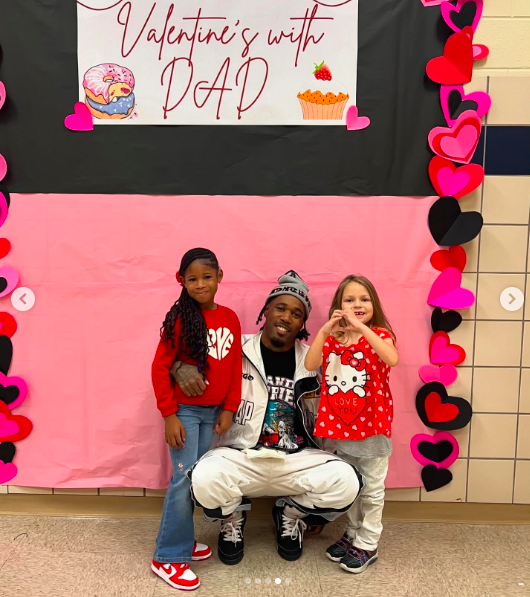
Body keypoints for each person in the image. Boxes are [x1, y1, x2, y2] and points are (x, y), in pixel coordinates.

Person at [173, 271, 363, 566]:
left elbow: (333, 411)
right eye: (280, 308)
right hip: (242, 455)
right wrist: (177, 367)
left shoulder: (313, 360)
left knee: (347, 481)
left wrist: (319, 504)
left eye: (296, 314)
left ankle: (291, 513)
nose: (287, 317)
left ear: (302, 324)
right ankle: (233, 516)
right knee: (201, 478)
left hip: (296, 459)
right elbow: (188, 357)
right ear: (266, 311)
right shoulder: (236, 348)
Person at [150, 248, 242, 591]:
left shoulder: (230, 318)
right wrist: (169, 414)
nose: (200, 284)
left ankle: (182, 540)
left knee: (196, 480)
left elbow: (234, 367)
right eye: (192, 279)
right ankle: (168, 557)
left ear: (219, 277)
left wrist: (230, 407)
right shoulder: (179, 319)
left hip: (213, 413)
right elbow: (160, 367)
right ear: (182, 281)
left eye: (207, 277)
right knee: (182, 480)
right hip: (185, 412)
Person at [305, 275, 399, 574]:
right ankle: (353, 535)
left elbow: (392, 359)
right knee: (353, 487)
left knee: (372, 488)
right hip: (340, 428)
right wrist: (324, 330)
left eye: (364, 299)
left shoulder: (381, 335)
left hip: (372, 427)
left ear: (374, 304)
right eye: (349, 299)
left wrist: (360, 329)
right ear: (338, 305)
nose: (357, 304)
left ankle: (368, 542)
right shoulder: (333, 339)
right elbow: (310, 364)